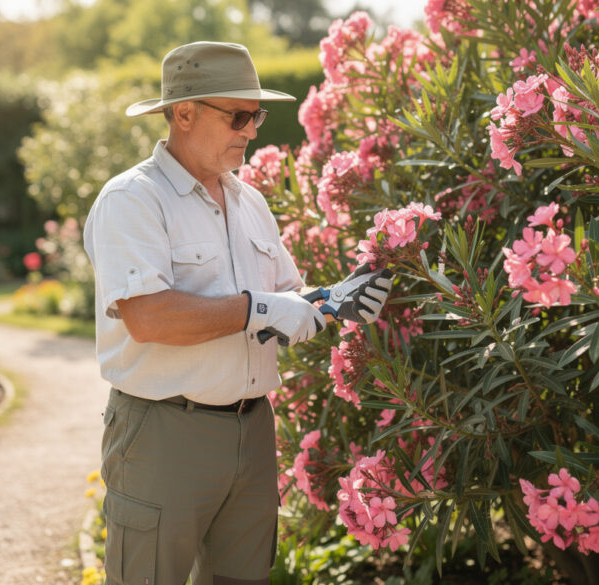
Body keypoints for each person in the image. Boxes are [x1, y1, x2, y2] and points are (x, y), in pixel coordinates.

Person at [82, 42, 392, 585]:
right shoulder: (132, 200)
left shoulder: (250, 202)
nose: (252, 131)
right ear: (184, 113)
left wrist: (332, 298)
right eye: (239, 116)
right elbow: (150, 318)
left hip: (252, 432)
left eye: (257, 116)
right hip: (163, 433)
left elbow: (284, 297)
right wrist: (260, 309)